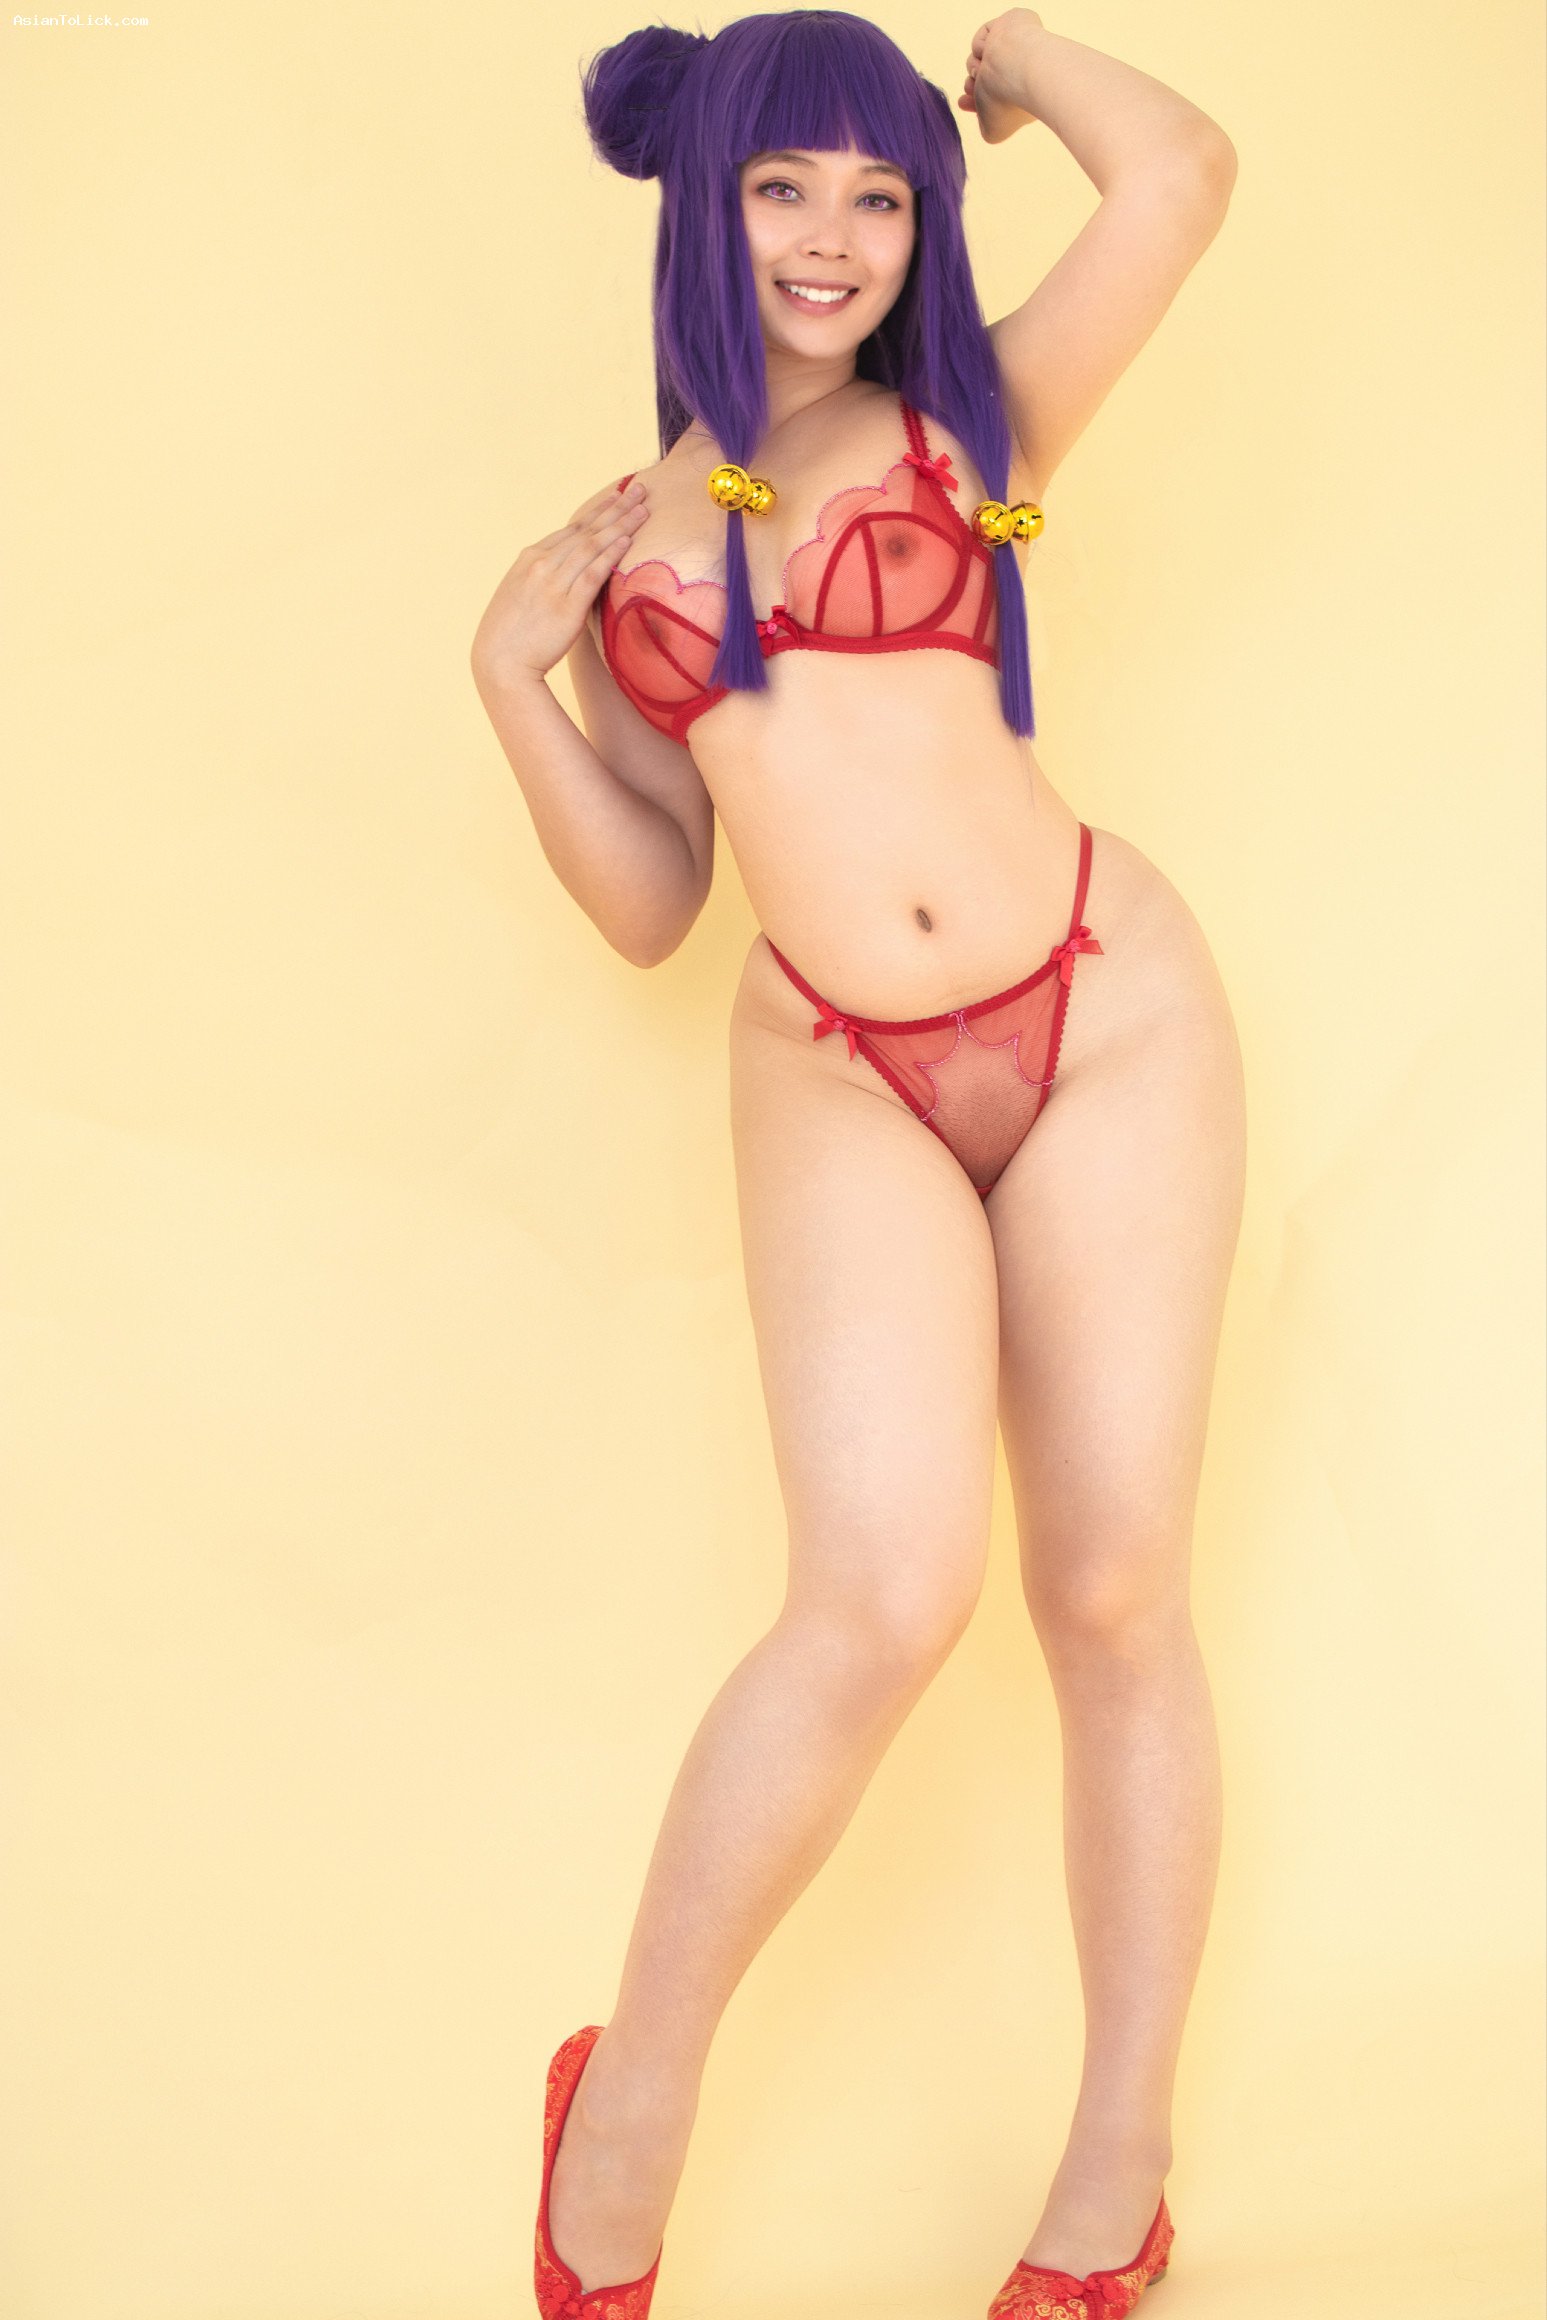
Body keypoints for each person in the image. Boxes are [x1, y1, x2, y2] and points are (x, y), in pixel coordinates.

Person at [469, 11, 1245, 2316]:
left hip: (1103, 1012)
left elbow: (1185, 173)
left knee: (1113, 1583)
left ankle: (1119, 2164)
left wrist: (1006, 57)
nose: (831, 238)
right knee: (883, 1595)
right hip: (837, 1063)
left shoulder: (971, 424)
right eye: (782, 186)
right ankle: (627, 2096)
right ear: (700, 201)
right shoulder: (631, 546)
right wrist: (511, 680)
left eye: (877, 192)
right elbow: (654, 902)